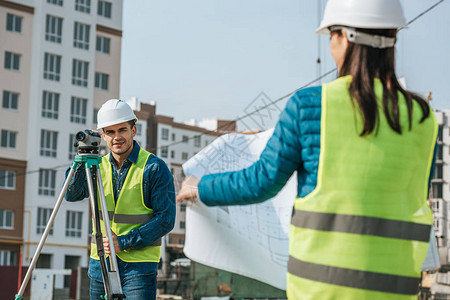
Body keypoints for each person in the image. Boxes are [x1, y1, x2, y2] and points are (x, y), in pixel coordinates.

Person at [176, 0, 438, 299]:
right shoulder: (423, 118)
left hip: (321, 287)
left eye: (331, 36)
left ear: (344, 38)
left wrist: (201, 186)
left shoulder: (311, 106)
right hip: (395, 288)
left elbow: (260, 182)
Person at [65, 99, 175, 300]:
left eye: (122, 130)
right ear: (103, 135)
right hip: (101, 264)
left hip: (138, 269)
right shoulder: (95, 166)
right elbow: (71, 195)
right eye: (110, 132)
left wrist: (123, 242)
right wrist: (82, 157)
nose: (117, 137)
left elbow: (166, 219)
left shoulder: (154, 168)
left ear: (133, 130)